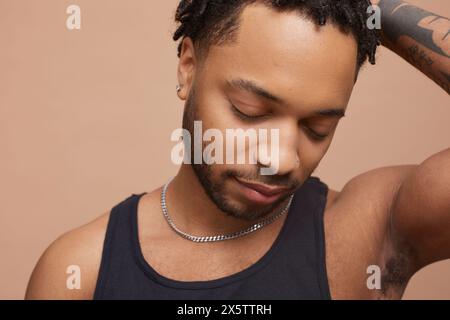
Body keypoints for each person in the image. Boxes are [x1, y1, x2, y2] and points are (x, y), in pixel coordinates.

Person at [26, 0, 449, 300]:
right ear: (188, 68)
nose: (282, 159)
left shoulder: (371, 235)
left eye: (317, 127)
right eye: (250, 112)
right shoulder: (80, 273)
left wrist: (369, 9)